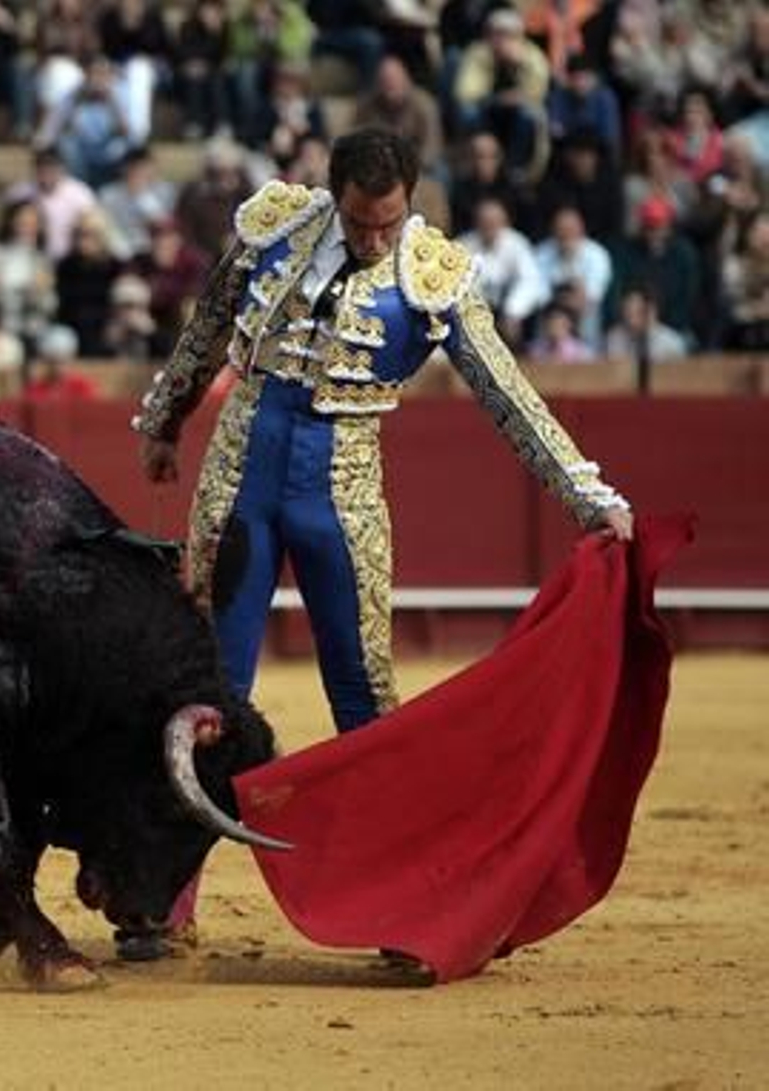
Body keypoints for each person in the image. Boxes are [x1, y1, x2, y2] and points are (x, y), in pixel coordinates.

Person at [131, 129, 633, 955]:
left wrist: (587, 494)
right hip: (241, 474)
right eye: (363, 224)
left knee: (365, 700)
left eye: (389, 224)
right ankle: (162, 900)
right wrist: (164, 420)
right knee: (208, 692)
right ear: (334, 197)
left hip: (343, 487)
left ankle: (406, 908)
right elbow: (209, 324)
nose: (375, 241)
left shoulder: (433, 273)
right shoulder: (274, 226)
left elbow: (505, 390)